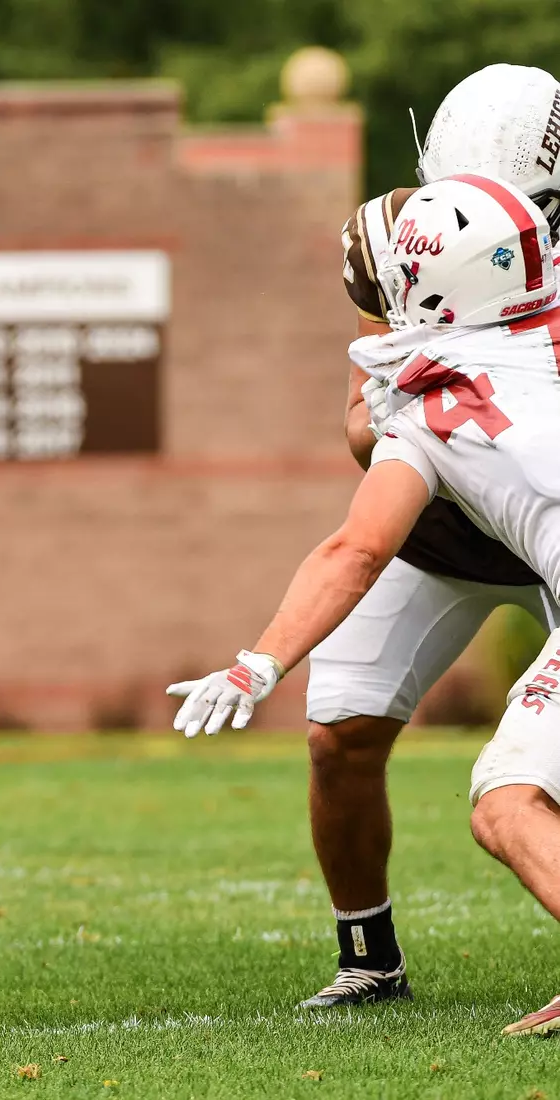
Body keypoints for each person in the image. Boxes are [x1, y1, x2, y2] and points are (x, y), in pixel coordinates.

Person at [169, 172, 560, 1037]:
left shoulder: (432, 404)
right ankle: (368, 960)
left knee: (507, 800)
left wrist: (256, 660)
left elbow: (354, 548)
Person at [301, 64, 560, 1008]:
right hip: (446, 522)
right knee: (340, 733)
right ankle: (368, 957)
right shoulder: (405, 234)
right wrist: (426, 418)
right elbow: (361, 424)